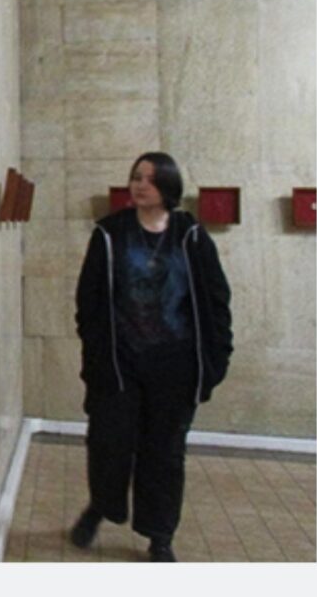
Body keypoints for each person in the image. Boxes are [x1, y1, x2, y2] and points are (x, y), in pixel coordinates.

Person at [68, 152, 232, 562]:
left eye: (150, 179)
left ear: (168, 187)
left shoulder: (190, 236)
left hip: (176, 367)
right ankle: (101, 506)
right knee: (109, 444)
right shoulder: (110, 233)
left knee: (165, 453)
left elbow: (216, 299)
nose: (140, 185)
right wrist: (96, 353)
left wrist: (217, 357)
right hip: (120, 364)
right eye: (136, 177)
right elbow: (88, 301)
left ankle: (160, 536)